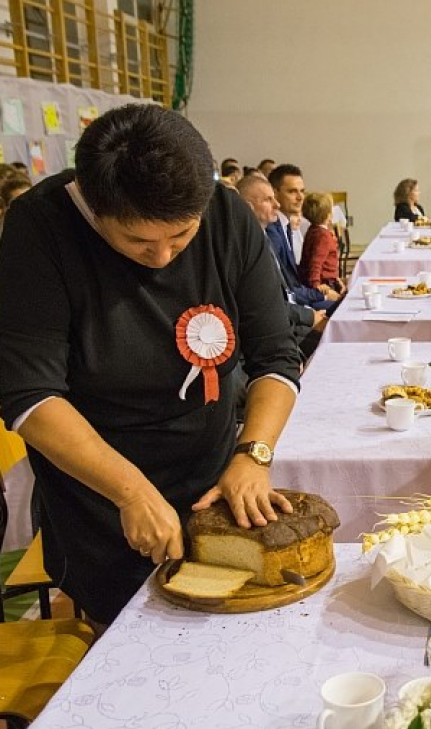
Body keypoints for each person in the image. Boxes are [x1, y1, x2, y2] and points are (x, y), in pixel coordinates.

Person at [0, 104, 302, 628]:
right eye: (139, 242)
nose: (163, 257)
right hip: (99, 496)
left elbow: (276, 354)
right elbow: (30, 393)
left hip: (211, 479)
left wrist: (253, 455)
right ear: (95, 210)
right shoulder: (41, 228)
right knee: (128, 641)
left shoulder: (227, 216)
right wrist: (131, 491)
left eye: (181, 237)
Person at [237, 174, 326, 361]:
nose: (276, 205)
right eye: (268, 200)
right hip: (271, 333)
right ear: (247, 206)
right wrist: (309, 316)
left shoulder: (265, 238)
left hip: (287, 319)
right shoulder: (244, 248)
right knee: (329, 343)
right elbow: (265, 304)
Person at [299, 192, 345, 295]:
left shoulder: (313, 230)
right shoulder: (323, 236)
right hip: (325, 281)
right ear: (328, 214)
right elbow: (316, 262)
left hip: (327, 277)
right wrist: (316, 285)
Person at [267, 163, 307, 264]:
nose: (300, 197)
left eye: (302, 191)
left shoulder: (285, 224)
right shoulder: (270, 228)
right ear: (275, 193)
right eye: (292, 191)